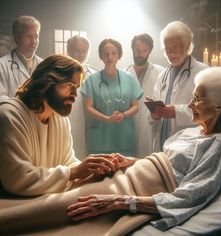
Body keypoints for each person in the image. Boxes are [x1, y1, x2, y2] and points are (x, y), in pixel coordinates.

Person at [67, 67, 221, 231]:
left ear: (218, 108)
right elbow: (168, 161)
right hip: (129, 174)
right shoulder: (190, 131)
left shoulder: (220, 145)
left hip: (139, 189)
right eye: (192, 97)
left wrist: (118, 202)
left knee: (67, 206)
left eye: (197, 99)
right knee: (71, 187)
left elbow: (189, 197)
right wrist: (133, 161)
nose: (190, 105)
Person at [0, 54, 134, 197]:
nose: (75, 94)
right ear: (48, 82)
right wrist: (75, 172)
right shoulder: (10, 115)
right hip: (12, 204)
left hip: (44, 199)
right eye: (70, 85)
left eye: (76, 87)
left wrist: (94, 170)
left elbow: (67, 162)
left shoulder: (59, 119)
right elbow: (18, 179)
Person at [148, 21, 208, 152]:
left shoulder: (203, 73)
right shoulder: (162, 76)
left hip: (188, 147)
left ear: (187, 46)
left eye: (175, 48)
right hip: (162, 145)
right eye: (167, 49)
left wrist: (175, 111)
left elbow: (207, 112)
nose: (171, 53)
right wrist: (154, 115)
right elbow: (151, 119)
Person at [81, 38, 143, 156]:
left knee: (126, 173)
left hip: (124, 139)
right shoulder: (91, 80)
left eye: (113, 53)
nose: (110, 57)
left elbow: (136, 106)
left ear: (119, 55)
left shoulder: (129, 79)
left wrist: (123, 114)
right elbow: (88, 108)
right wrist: (107, 119)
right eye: (106, 54)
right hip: (99, 141)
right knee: (100, 172)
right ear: (101, 56)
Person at [126, 33, 164, 157]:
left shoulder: (161, 73)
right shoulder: (123, 74)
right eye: (137, 50)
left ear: (150, 51)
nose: (140, 53)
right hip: (127, 126)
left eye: (144, 50)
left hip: (151, 127)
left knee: (147, 165)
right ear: (132, 49)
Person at [67, 35, 97, 160]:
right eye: (77, 50)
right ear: (69, 51)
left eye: (84, 51)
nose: (81, 54)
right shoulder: (60, 73)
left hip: (92, 127)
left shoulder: (94, 74)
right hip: (70, 124)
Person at [0, 15, 42, 100]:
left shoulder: (44, 64)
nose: (33, 41)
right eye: (28, 36)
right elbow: (1, 98)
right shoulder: (2, 65)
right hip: (13, 113)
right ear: (17, 38)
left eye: (36, 36)